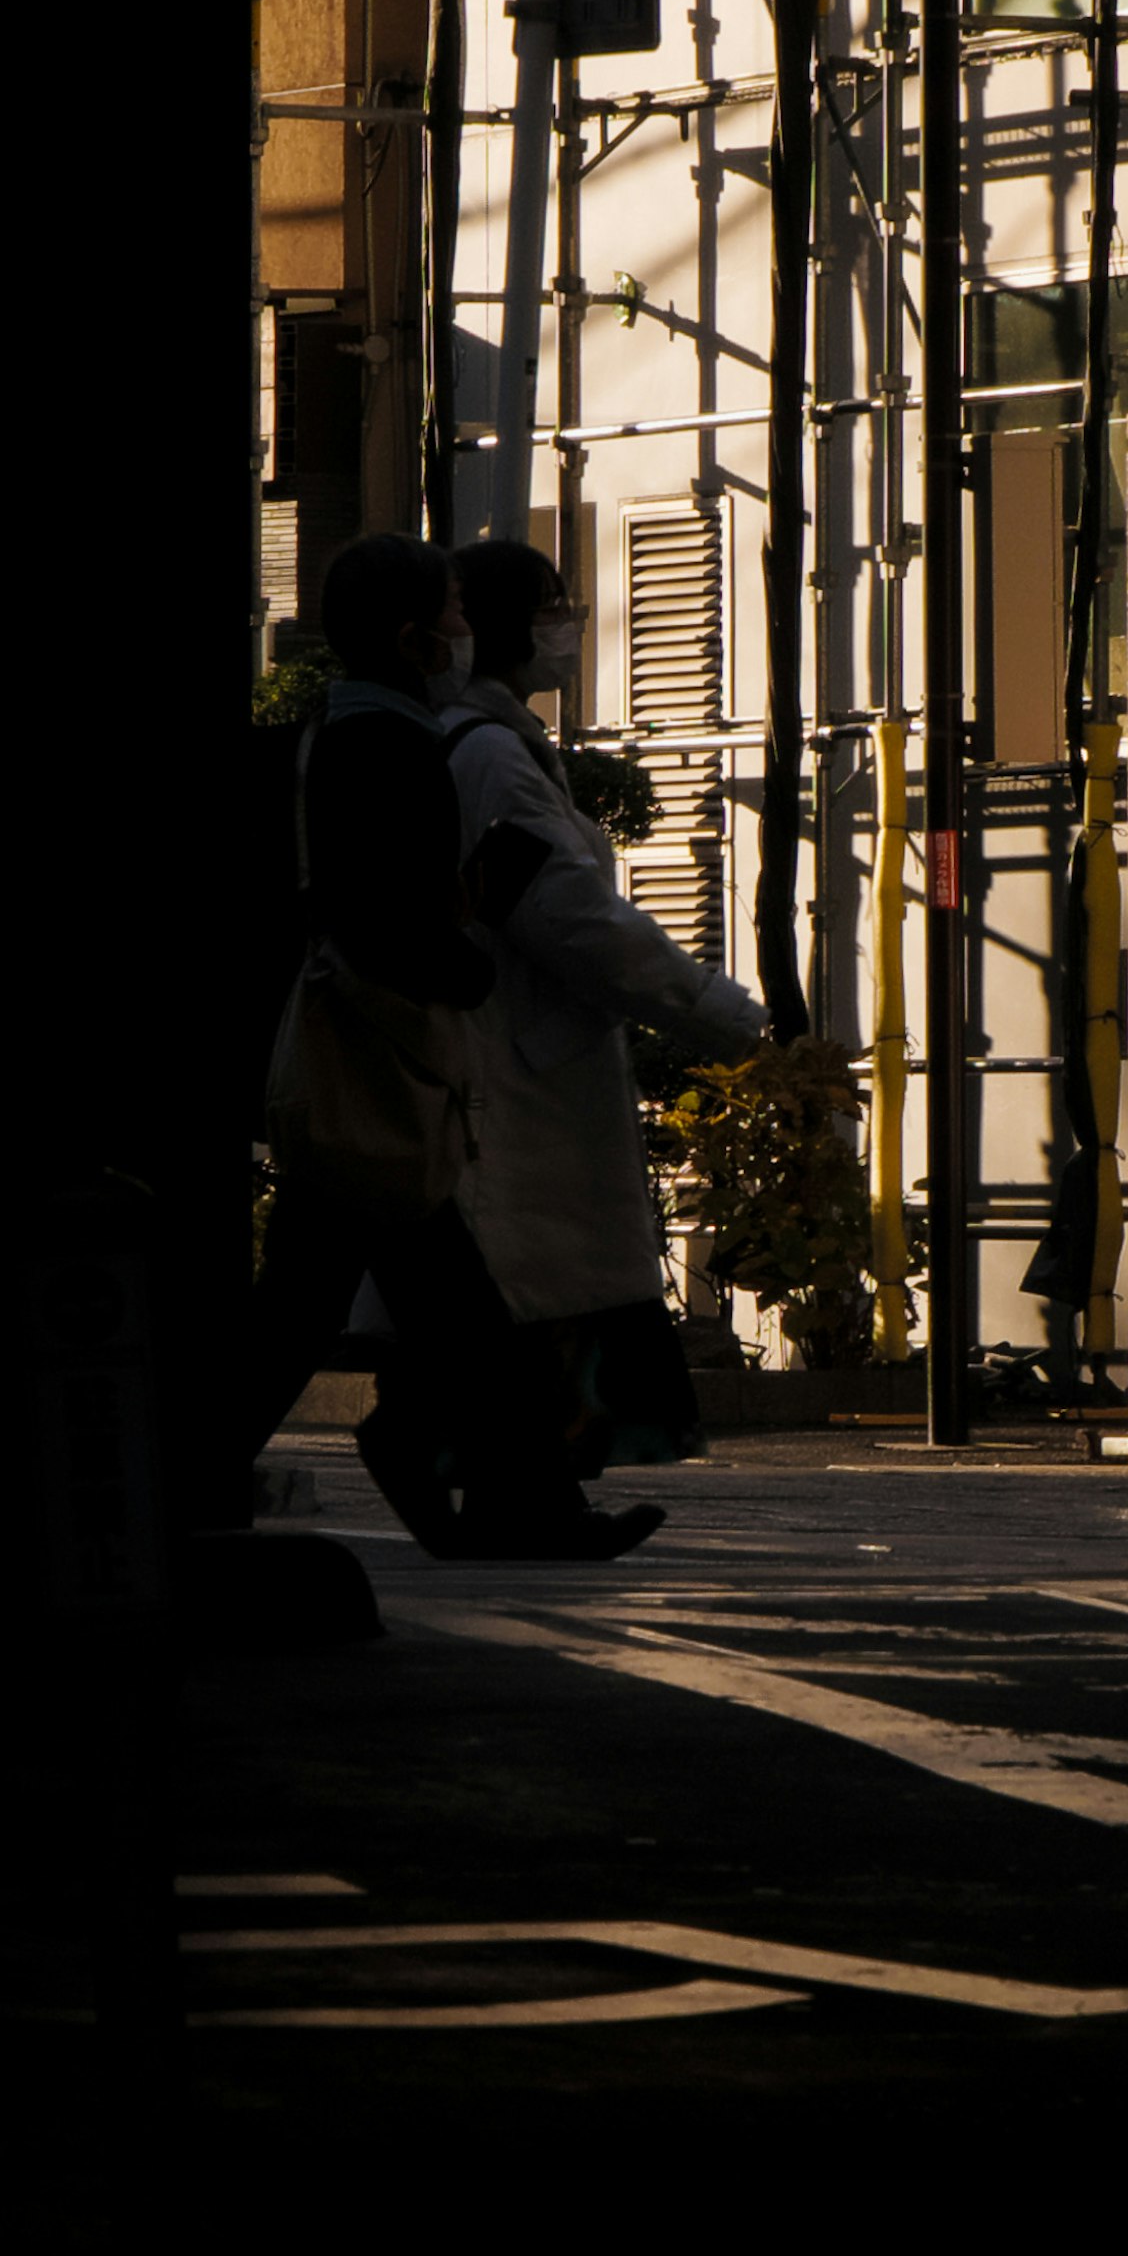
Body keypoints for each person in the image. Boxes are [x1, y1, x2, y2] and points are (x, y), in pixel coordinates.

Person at [237, 532, 653, 1563]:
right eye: (456, 612)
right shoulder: (393, 751)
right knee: (358, 1309)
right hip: (384, 1069)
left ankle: (517, 1502)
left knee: (430, 1307)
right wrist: (468, 954)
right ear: (416, 635)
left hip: (362, 1070)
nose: (468, 633)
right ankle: (518, 1502)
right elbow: (389, 923)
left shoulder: (326, 734)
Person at [415, 533, 765, 1519]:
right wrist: (706, 1006)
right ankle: (524, 1498)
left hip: (531, 1068)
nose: (564, 625)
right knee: (538, 1295)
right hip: (519, 1081)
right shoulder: (488, 757)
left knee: (531, 1298)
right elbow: (567, 913)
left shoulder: (505, 748)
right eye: (550, 605)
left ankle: (529, 1498)